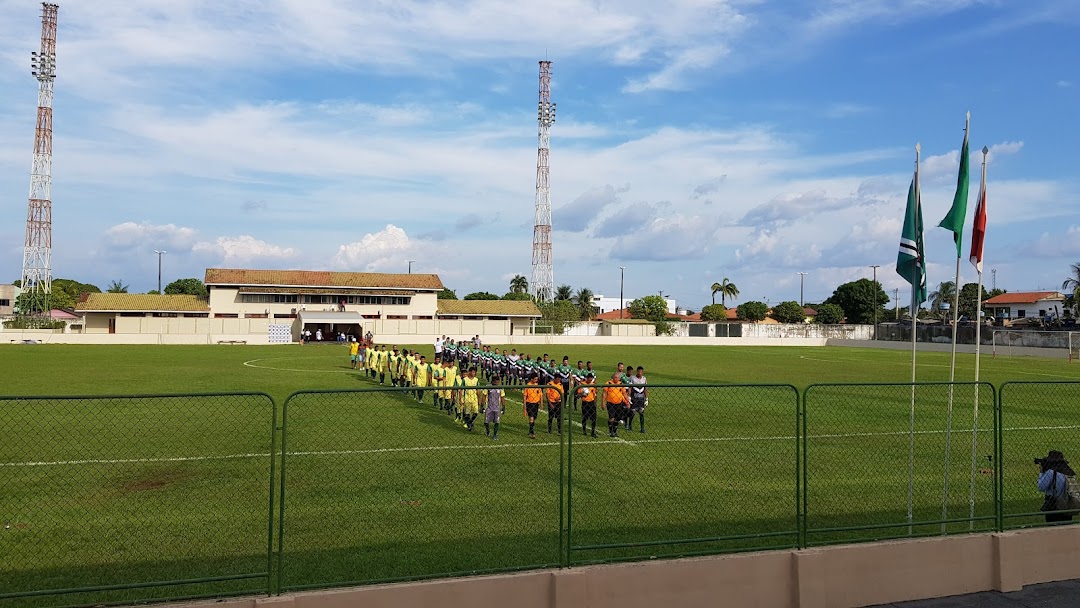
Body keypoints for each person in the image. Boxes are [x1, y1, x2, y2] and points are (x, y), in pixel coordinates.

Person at [1037, 450, 1078, 523]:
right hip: (1067, 503)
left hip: (1053, 504)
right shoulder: (1068, 472)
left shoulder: (1051, 472)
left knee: (1052, 526)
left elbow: (1041, 487)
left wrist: (1042, 472)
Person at [603, 372, 630, 438]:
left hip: (619, 404)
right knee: (611, 418)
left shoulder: (621, 384)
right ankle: (611, 431)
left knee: (617, 419)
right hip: (610, 403)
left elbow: (624, 394)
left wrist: (627, 402)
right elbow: (604, 394)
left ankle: (614, 431)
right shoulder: (608, 383)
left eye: (618, 378)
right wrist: (603, 403)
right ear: (613, 377)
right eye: (615, 377)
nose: (616, 379)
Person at [627, 366, 648, 433]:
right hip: (634, 398)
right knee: (633, 412)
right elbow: (630, 388)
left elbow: (645, 389)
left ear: (642, 372)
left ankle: (642, 428)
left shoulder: (644, 379)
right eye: (638, 371)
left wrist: (646, 398)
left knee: (641, 413)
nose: (640, 373)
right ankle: (629, 425)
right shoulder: (632, 378)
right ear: (637, 372)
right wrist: (629, 396)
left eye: (641, 372)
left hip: (641, 399)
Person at [577, 372, 598, 438]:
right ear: (587, 378)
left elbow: (595, 394)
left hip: (591, 403)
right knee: (585, 417)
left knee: (594, 418)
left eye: (591, 379)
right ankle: (584, 430)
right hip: (585, 403)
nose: (590, 380)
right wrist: (582, 394)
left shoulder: (593, 385)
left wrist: (595, 403)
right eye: (589, 379)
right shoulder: (582, 384)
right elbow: (578, 394)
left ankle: (593, 432)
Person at [461, 367, 481, 431]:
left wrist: (479, 399)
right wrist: (461, 399)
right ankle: (469, 425)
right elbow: (461, 390)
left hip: (474, 398)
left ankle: (470, 422)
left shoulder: (476, 380)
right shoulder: (465, 380)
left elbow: (478, 390)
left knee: (476, 412)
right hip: (467, 398)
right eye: (472, 372)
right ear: (469, 372)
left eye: (474, 372)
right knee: (467, 414)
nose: (474, 373)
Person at [523, 374, 542, 439]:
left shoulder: (537, 386)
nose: (536, 380)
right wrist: (524, 406)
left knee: (534, 418)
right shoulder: (528, 386)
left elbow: (540, 395)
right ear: (531, 379)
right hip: (529, 403)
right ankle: (532, 432)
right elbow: (525, 396)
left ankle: (530, 429)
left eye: (537, 379)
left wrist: (541, 403)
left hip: (536, 404)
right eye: (535, 379)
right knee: (531, 417)